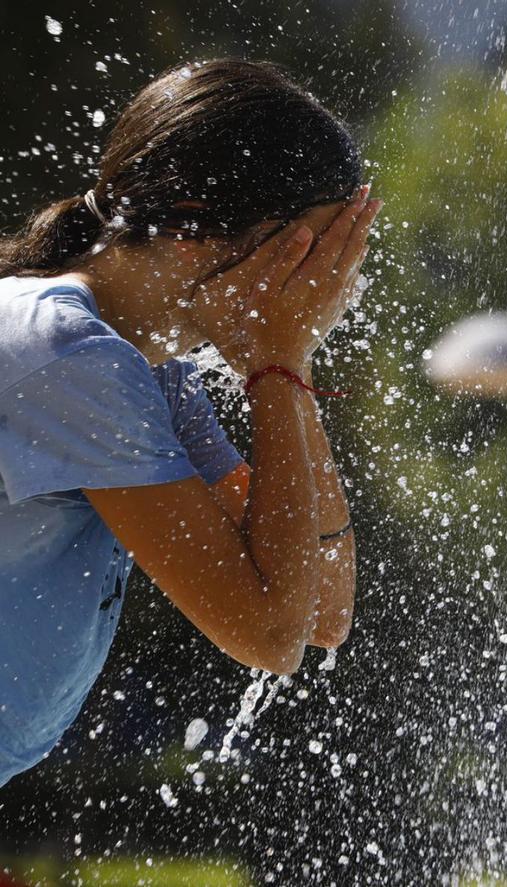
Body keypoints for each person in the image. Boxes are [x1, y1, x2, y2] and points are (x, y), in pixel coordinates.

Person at [0, 58, 381, 787]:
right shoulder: (67, 353)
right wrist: (279, 358)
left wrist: (284, 366)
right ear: (193, 225)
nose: (328, 292)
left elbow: (320, 612)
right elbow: (267, 631)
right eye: (306, 255)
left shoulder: (149, 368)